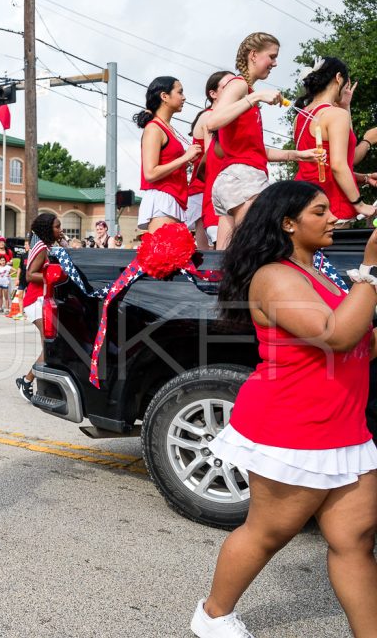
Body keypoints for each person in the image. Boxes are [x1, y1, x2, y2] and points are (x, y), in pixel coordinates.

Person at [192, 181, 377, 638]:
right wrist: (371, 269)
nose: (333, 217)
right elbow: (335, 334)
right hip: (291, 428)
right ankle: (213, 615)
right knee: (268, 533)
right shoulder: (274, 276)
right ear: (288, 223)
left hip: (344, 425)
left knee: (355, 540)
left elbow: (361, 346)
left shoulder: (321, 274)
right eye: (320, 211)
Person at [206, 32, 321, 248]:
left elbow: (256, 150)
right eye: (272, 56)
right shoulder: (239, 85)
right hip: (242, 179)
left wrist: (297, 155)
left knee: (225, 259)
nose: (275, 63)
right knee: (257, 247)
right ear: (253, 55)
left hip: (235, 180)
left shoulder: (246, 93)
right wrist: (256, 97)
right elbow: (213, 122)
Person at [293, 57, 377, 223]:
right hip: (332, 204)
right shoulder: (335, 115)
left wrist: (365, 178)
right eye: (346, 83)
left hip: (302, 201)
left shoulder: (300, 117)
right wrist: (359, 204)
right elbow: (339, 165)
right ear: (338, 78)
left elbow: (327, 163)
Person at [134, 76, 202, 234]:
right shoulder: (154, 128)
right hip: (163, 199)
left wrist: (185, 161)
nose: (184, 97)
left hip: (173, 198)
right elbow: (150, 173)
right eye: (180, 92)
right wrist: (184, 158)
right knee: (162, 256)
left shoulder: (167, 127)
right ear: (164, 96)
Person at [16, 213, 64, 400]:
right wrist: (55, 277)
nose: (60, 230)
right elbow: (29, 275)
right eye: (57, 227)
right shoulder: (42, 247)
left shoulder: (47, 246)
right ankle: (26, 382)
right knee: (50, 347)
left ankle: (43, 384)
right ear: (47, 229)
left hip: (42, 301)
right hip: (36, 301)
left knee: (52, 346)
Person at [191, 71, 236, 248]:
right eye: (227, 86)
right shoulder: (210, 116)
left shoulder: (227, 115)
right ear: (213, 93)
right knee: (211, 247)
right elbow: (212, 156)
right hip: (206, 186)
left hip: (218, 184)